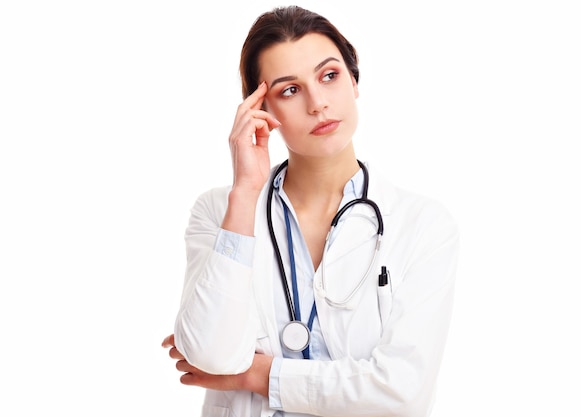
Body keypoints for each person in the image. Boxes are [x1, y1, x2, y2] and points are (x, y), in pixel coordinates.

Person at [162, 5, 459, 417]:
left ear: (354, 81)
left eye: (330, 76)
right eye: (290, 90)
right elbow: (211, 355)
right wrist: (245, 193)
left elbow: (402, 393)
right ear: (261, 109)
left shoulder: (422, 224)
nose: (318, 103)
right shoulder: (220, 211)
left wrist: (257, 375)